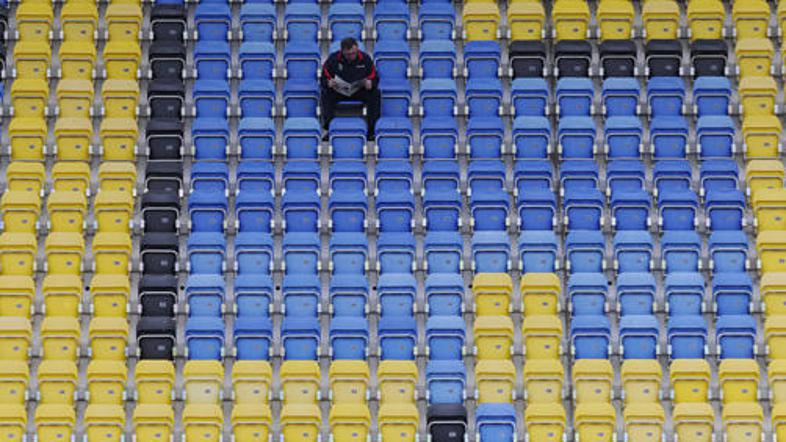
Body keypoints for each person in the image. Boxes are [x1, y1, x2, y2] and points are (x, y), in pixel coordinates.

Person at [320, 37, 381, 138]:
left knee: (375, 94)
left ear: (357, 49)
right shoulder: (333, 59)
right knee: (325, 93)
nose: (351, 56)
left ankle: (371, 131)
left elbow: (374, 76)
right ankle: (328, 128)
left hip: (358, 91)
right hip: (339, 91)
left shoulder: (365, 58)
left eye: (353, 53)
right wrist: (328, 82)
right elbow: (324, 77)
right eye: (348, 54)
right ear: (342, 51)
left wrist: (370, 83)